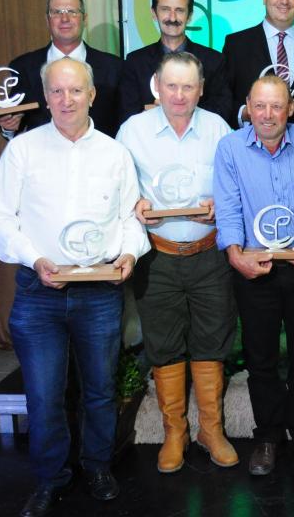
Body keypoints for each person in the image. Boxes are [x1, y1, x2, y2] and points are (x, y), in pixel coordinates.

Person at [0, 58, 149, 517]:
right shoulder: (23, 151)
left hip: (98, 291)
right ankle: (50, 478)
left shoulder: (114, 154)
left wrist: (130, 252)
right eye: (56, 92)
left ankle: (97, 466)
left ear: (92, 95)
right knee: (44, 393)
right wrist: (34, 258)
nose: (66, 100)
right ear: (46, 96)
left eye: (75, 91)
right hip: (40, 289)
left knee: (99, 388)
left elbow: (130, 220)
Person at [116, 52, 237, 474]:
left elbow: (234, 187)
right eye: (172, 85)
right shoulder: (133, 131)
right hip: (159, 257)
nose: (180, 95)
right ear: (157, 86)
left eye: (188, 86)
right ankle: (174, 433)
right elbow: (117, 189)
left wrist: (218, 206)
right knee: (164, 344)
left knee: (212, 341)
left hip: (208, 255)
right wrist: (136, 204)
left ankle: (211, 430)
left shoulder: (219, 129)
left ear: (201, 88)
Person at [213, 75, 294, 475]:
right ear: (248, 106)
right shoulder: (230, 148)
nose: (268, 115)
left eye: (277, 106)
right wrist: (235, 254)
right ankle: (267, 434)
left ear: (291, 108)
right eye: (260, 106)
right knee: (261, 358)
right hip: (254, 269)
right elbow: (228, 207)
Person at [0, 0, 122, 139]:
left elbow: (122, 120)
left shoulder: (114, 67)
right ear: (47, 20)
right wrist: (8, 126)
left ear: (85, 19)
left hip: (98, 155)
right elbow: (16, 119)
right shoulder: (23, 67)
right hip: (42, 156)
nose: (64, 18)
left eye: (72, 12)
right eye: (56, 12)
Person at [118, 0, 233, 126]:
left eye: (179, 10)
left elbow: (222, 110)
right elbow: (126, 114)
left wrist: (178, 111)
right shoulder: (135, 62)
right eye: (165, 9)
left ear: (189, 15)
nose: (172, 18)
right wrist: (155, 115)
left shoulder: (213, 60)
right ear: (154, 13)